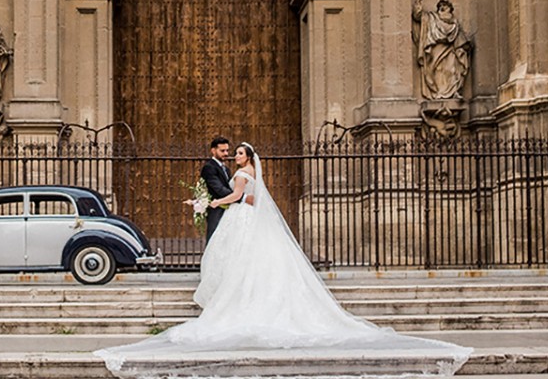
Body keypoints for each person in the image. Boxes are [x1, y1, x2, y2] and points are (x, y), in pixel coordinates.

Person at [96, 142, 471, 379]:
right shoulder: (253, 173)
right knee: (253, 267)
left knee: (242, 267)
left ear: (245, 157)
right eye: (233, 153)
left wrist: (211, 202)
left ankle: (239, 304)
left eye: (238, 152)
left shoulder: (241, 174)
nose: (235, 156)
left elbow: (236, 199)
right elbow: (256, 202)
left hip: (239, 220)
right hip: (248, 221)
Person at [199, 137, 233, 244]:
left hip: (227, 208)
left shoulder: (226, 169)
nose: (226, 153)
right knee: (214, 238)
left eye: (227, 150)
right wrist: (237, 197)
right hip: (216, 209)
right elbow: (219, 189)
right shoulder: (209, 167)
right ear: (213, 151)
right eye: (222, 151)